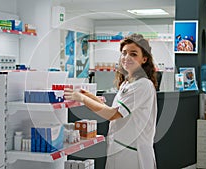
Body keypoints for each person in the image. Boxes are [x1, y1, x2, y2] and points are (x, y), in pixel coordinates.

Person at [64, 33, 158, 169]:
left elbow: (112, 114)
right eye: (124, 53)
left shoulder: (143, 85)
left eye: (133, 54)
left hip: (133, 154)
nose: (127, 57)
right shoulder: (128, 83)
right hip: (119, 148)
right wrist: (90, 96)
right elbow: (114, 111)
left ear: (144, 59)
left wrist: (82, 99)